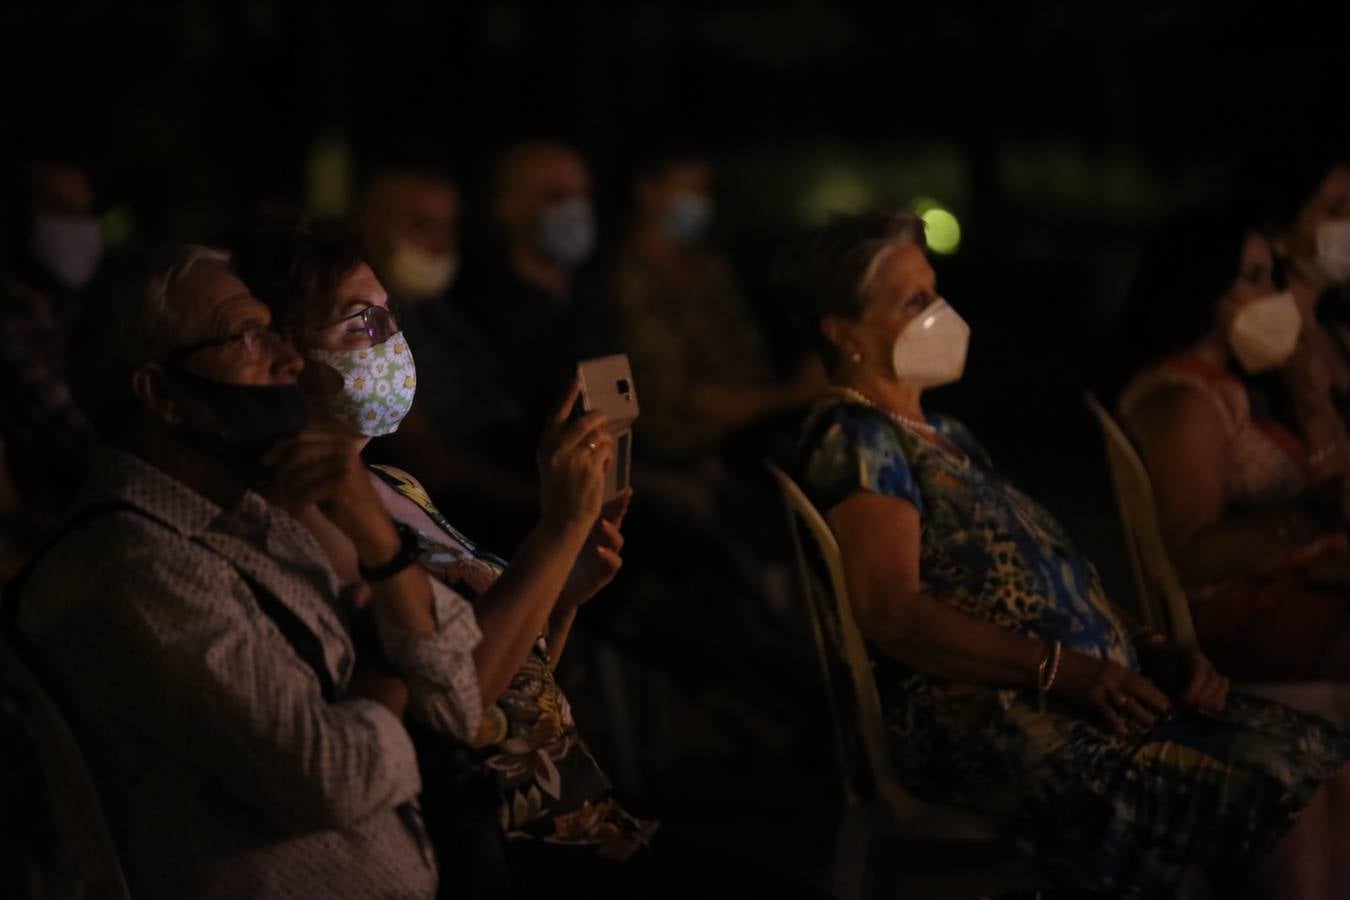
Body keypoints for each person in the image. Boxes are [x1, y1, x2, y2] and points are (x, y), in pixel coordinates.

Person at [777, 208, 1350, 898]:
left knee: (1326, 756)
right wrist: (1063, 671)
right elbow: (891, 611)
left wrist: (1151, 644)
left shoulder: (945, 432)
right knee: (1276, 781)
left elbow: (1050, 575)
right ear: (843, 332)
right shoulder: (857, 437)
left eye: (936, 293)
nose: (941, 315)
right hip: (988, 714)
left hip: (1072, 692)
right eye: (915, 301)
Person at [9, 245, 483, 900]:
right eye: (248, 337)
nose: (289, 360)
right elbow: (334, 779)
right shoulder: (136, 567)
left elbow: (456, 695)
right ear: (161, 394)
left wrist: (375, 536)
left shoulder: (251, 517)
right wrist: (385, 656)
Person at [231, 216, 662, 892]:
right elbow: (448, 716)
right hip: (507, 850)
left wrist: (565, 590)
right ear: (286, 361)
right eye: (359, 324)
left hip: (584, 819)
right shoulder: (306, 519)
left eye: (390, 317)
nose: (390, 342)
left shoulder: (392, 486)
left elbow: (519, 687)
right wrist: (554, 532)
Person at [1110, 211, 1350, 681]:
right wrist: (1300, 521)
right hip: (1242, 620)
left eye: (1273, 278)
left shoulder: (1236, 387)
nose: (1274, 297)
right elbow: (1185, 558)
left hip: (1301, 592)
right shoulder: (1182, 402)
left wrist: (1313, 406)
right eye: (1254, 279)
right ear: (1203, 289)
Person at [355, 163, 537, 547]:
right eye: (422, 225)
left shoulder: (442, 313)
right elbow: (429, 464)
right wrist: (547, 501)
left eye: (449, 227)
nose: (441, 243)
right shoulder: (360, 326)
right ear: (370, 225)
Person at [612, 150, 822, 464]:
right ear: (647, 190)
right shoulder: (625, 281)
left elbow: (746, 356)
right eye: (690, 188)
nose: (700, 201)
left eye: (705, 189)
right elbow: (677, 397)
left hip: (749, 444)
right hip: (682, 460)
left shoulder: (711, 268)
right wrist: (791, 395)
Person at [470, 140, 619, 440]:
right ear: (507, 206)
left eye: (582, 195)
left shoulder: (592, 297)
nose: (575, 210)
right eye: (557, 196)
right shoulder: (482, 312)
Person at [0, 155, 100, 545]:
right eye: (60, 210)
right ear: (16, 216)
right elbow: (88, 443)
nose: (79, 228)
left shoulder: (75, 314)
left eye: (86, 212)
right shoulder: (10, 329)